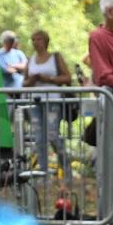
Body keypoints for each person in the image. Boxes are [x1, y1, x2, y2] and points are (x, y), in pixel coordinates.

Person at [25, 29, 71, 177]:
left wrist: (49, 79)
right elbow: (23, 83)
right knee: (38, 138)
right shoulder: (30, 60)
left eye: (38, 39)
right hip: (35, 101)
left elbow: (67, 78)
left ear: (45, 41)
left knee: (53, 135)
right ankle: (43, 174)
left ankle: (66, 169)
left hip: (52, 100)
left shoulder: (55, 57)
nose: (35, 42)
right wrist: (32, 80)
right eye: (33, 39)